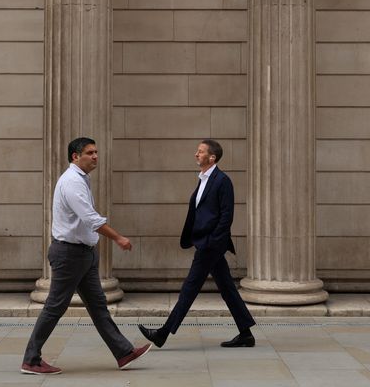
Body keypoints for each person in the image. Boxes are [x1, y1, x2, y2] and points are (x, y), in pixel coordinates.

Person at [21, 137, 151, 375]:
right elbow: (91, 219)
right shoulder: (72, 182)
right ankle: (31, 359)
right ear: (75, 156)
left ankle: (123, 352)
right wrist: (119, 238)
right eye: (90, 153)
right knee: (55, 306)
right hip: (70, 255)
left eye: (96, 152)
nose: (95, 157)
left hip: (83, 255)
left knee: (98, 306)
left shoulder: (81, 179)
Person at [138, 139, 256, 348]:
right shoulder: (203, 179)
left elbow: (226, 216)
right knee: (227, 288)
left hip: (210, 245)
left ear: (212, 157)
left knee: (190, 288)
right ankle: (246, 333)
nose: (196, 154)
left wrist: (212, 242)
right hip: (207, 243)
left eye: (200, 152)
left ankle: (162, 334)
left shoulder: (222, 180)